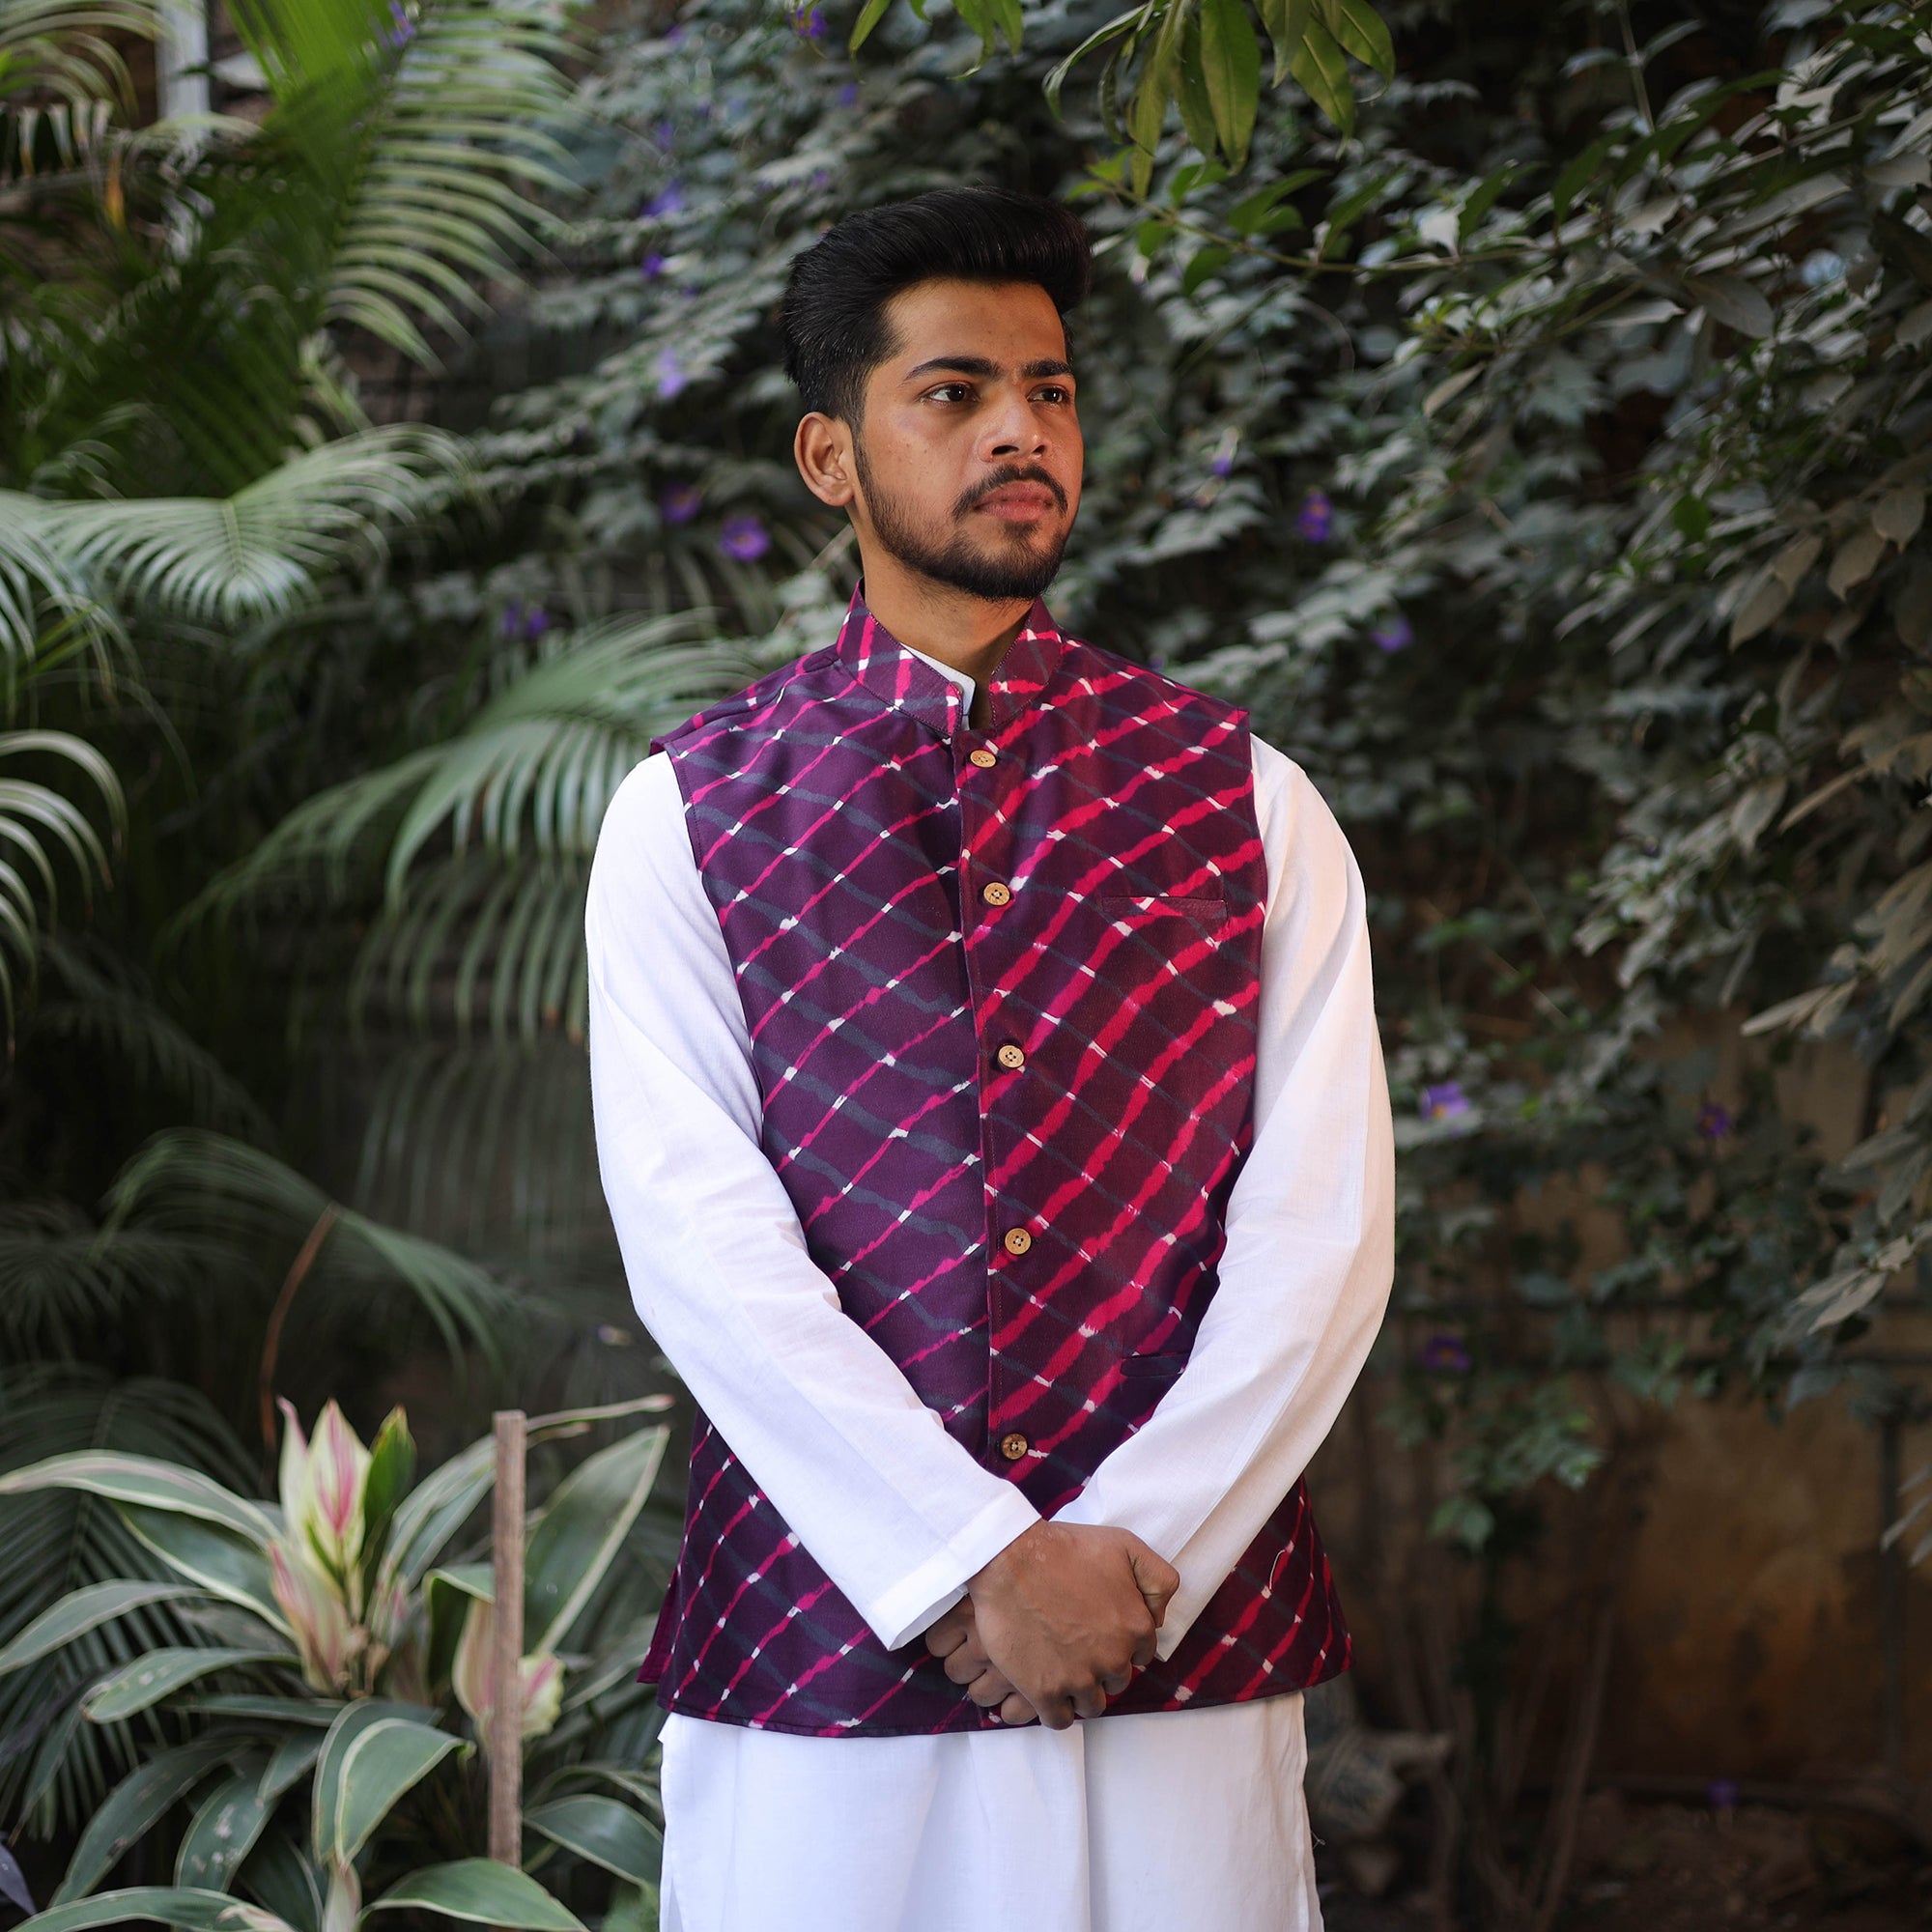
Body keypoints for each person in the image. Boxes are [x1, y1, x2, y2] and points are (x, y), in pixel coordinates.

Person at [585, 185, 1394, 1932]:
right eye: (953, 393)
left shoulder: (1247, 802)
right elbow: (698, 1240)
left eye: (1051, 391)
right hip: (821, 1657)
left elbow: (1321, 1238)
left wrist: (1130, 1555)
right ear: (830, 456)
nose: (1021, 430)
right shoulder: (689, 817)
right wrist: (965, 1564)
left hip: (1176, 1642)